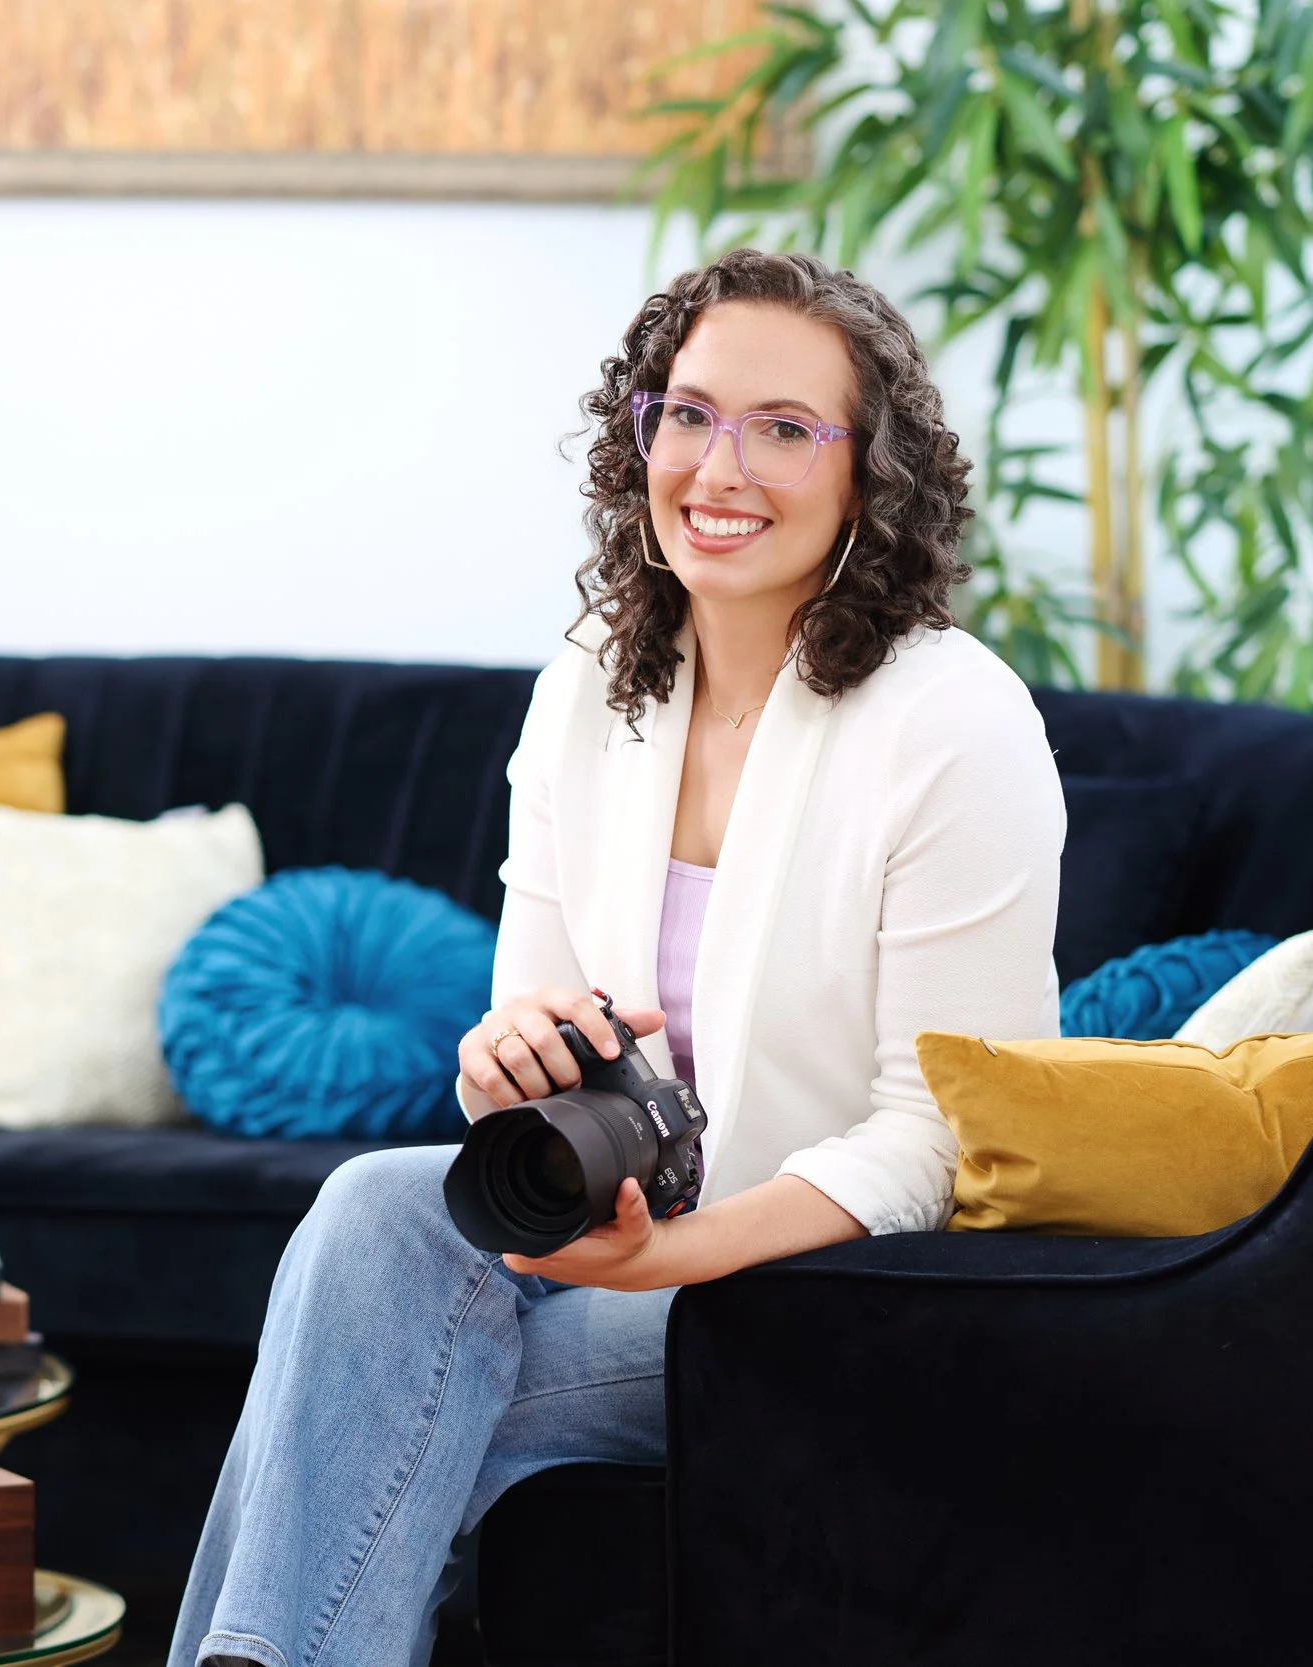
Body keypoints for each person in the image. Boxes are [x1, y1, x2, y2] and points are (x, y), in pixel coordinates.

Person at [170, 248, 1065, 1667]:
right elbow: (529, 1047)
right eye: (691, 413)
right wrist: (502, 1057)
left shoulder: (956, 723)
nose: (722, 465)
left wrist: (674, 1259)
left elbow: (941, 1135)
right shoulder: (596, 681)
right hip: (615, 1250)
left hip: (828, 1288)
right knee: (374, 1216)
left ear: (867, 475)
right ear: (639, 432)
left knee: (356, 1389)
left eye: (785, 427)